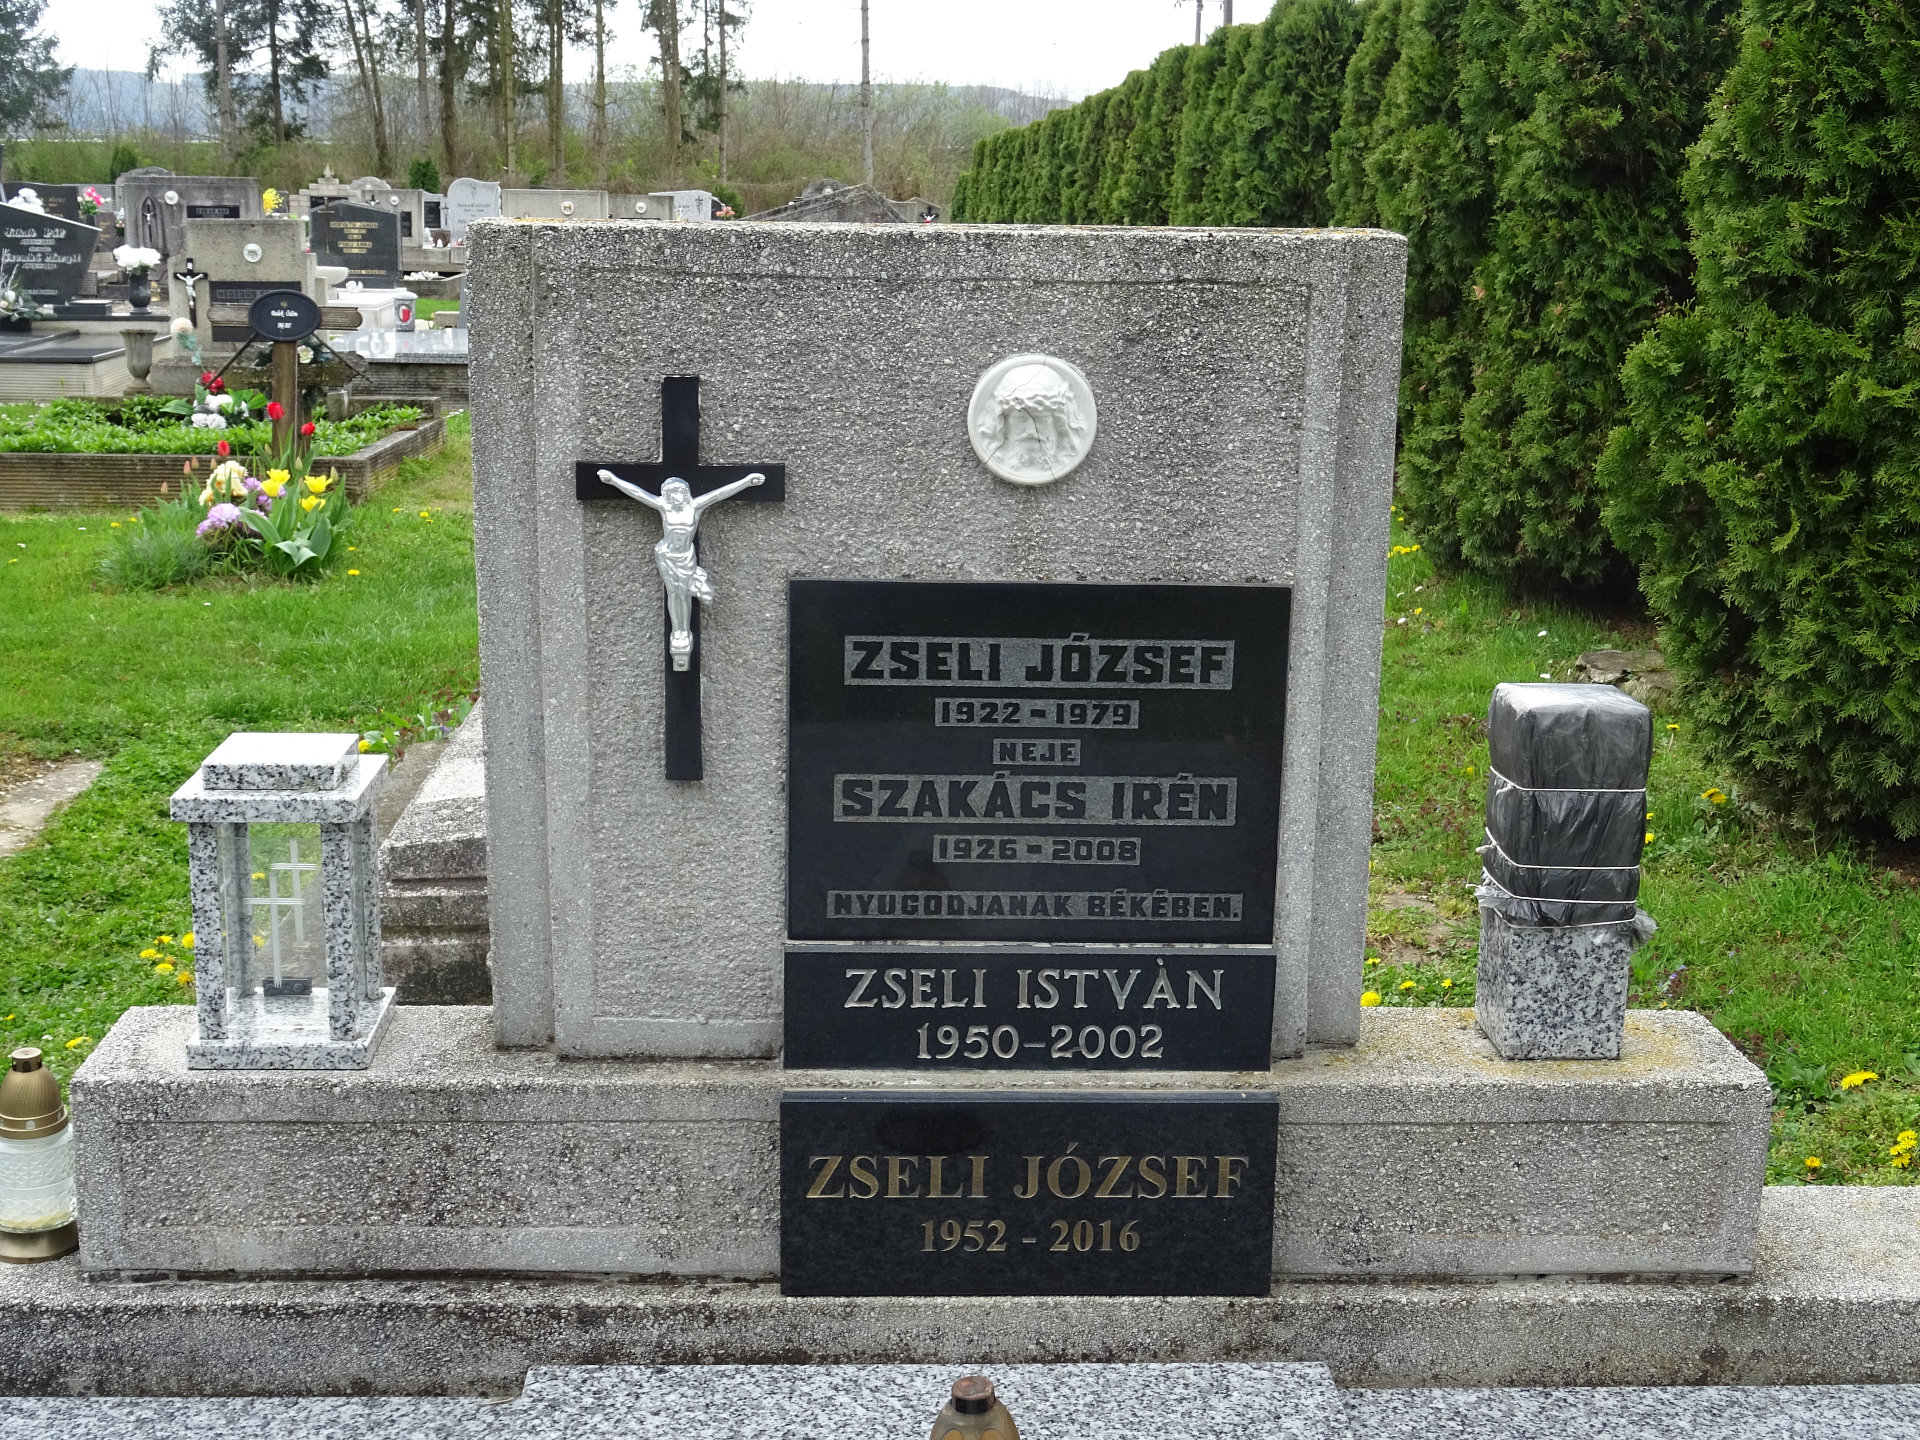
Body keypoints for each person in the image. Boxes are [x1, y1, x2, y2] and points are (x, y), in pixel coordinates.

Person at [595, 469, 765, 669]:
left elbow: (720, 493)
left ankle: (684, 630)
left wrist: (746, 482)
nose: (674, 497)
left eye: (677, 493)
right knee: (674, 594)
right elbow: (638, 493)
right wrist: (614, 480)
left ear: (685, 493)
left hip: (685, 558)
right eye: (670, 494)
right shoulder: (664, 507)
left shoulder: (695, 506)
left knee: (683, 595)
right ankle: (678, 632)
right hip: (667, 556)